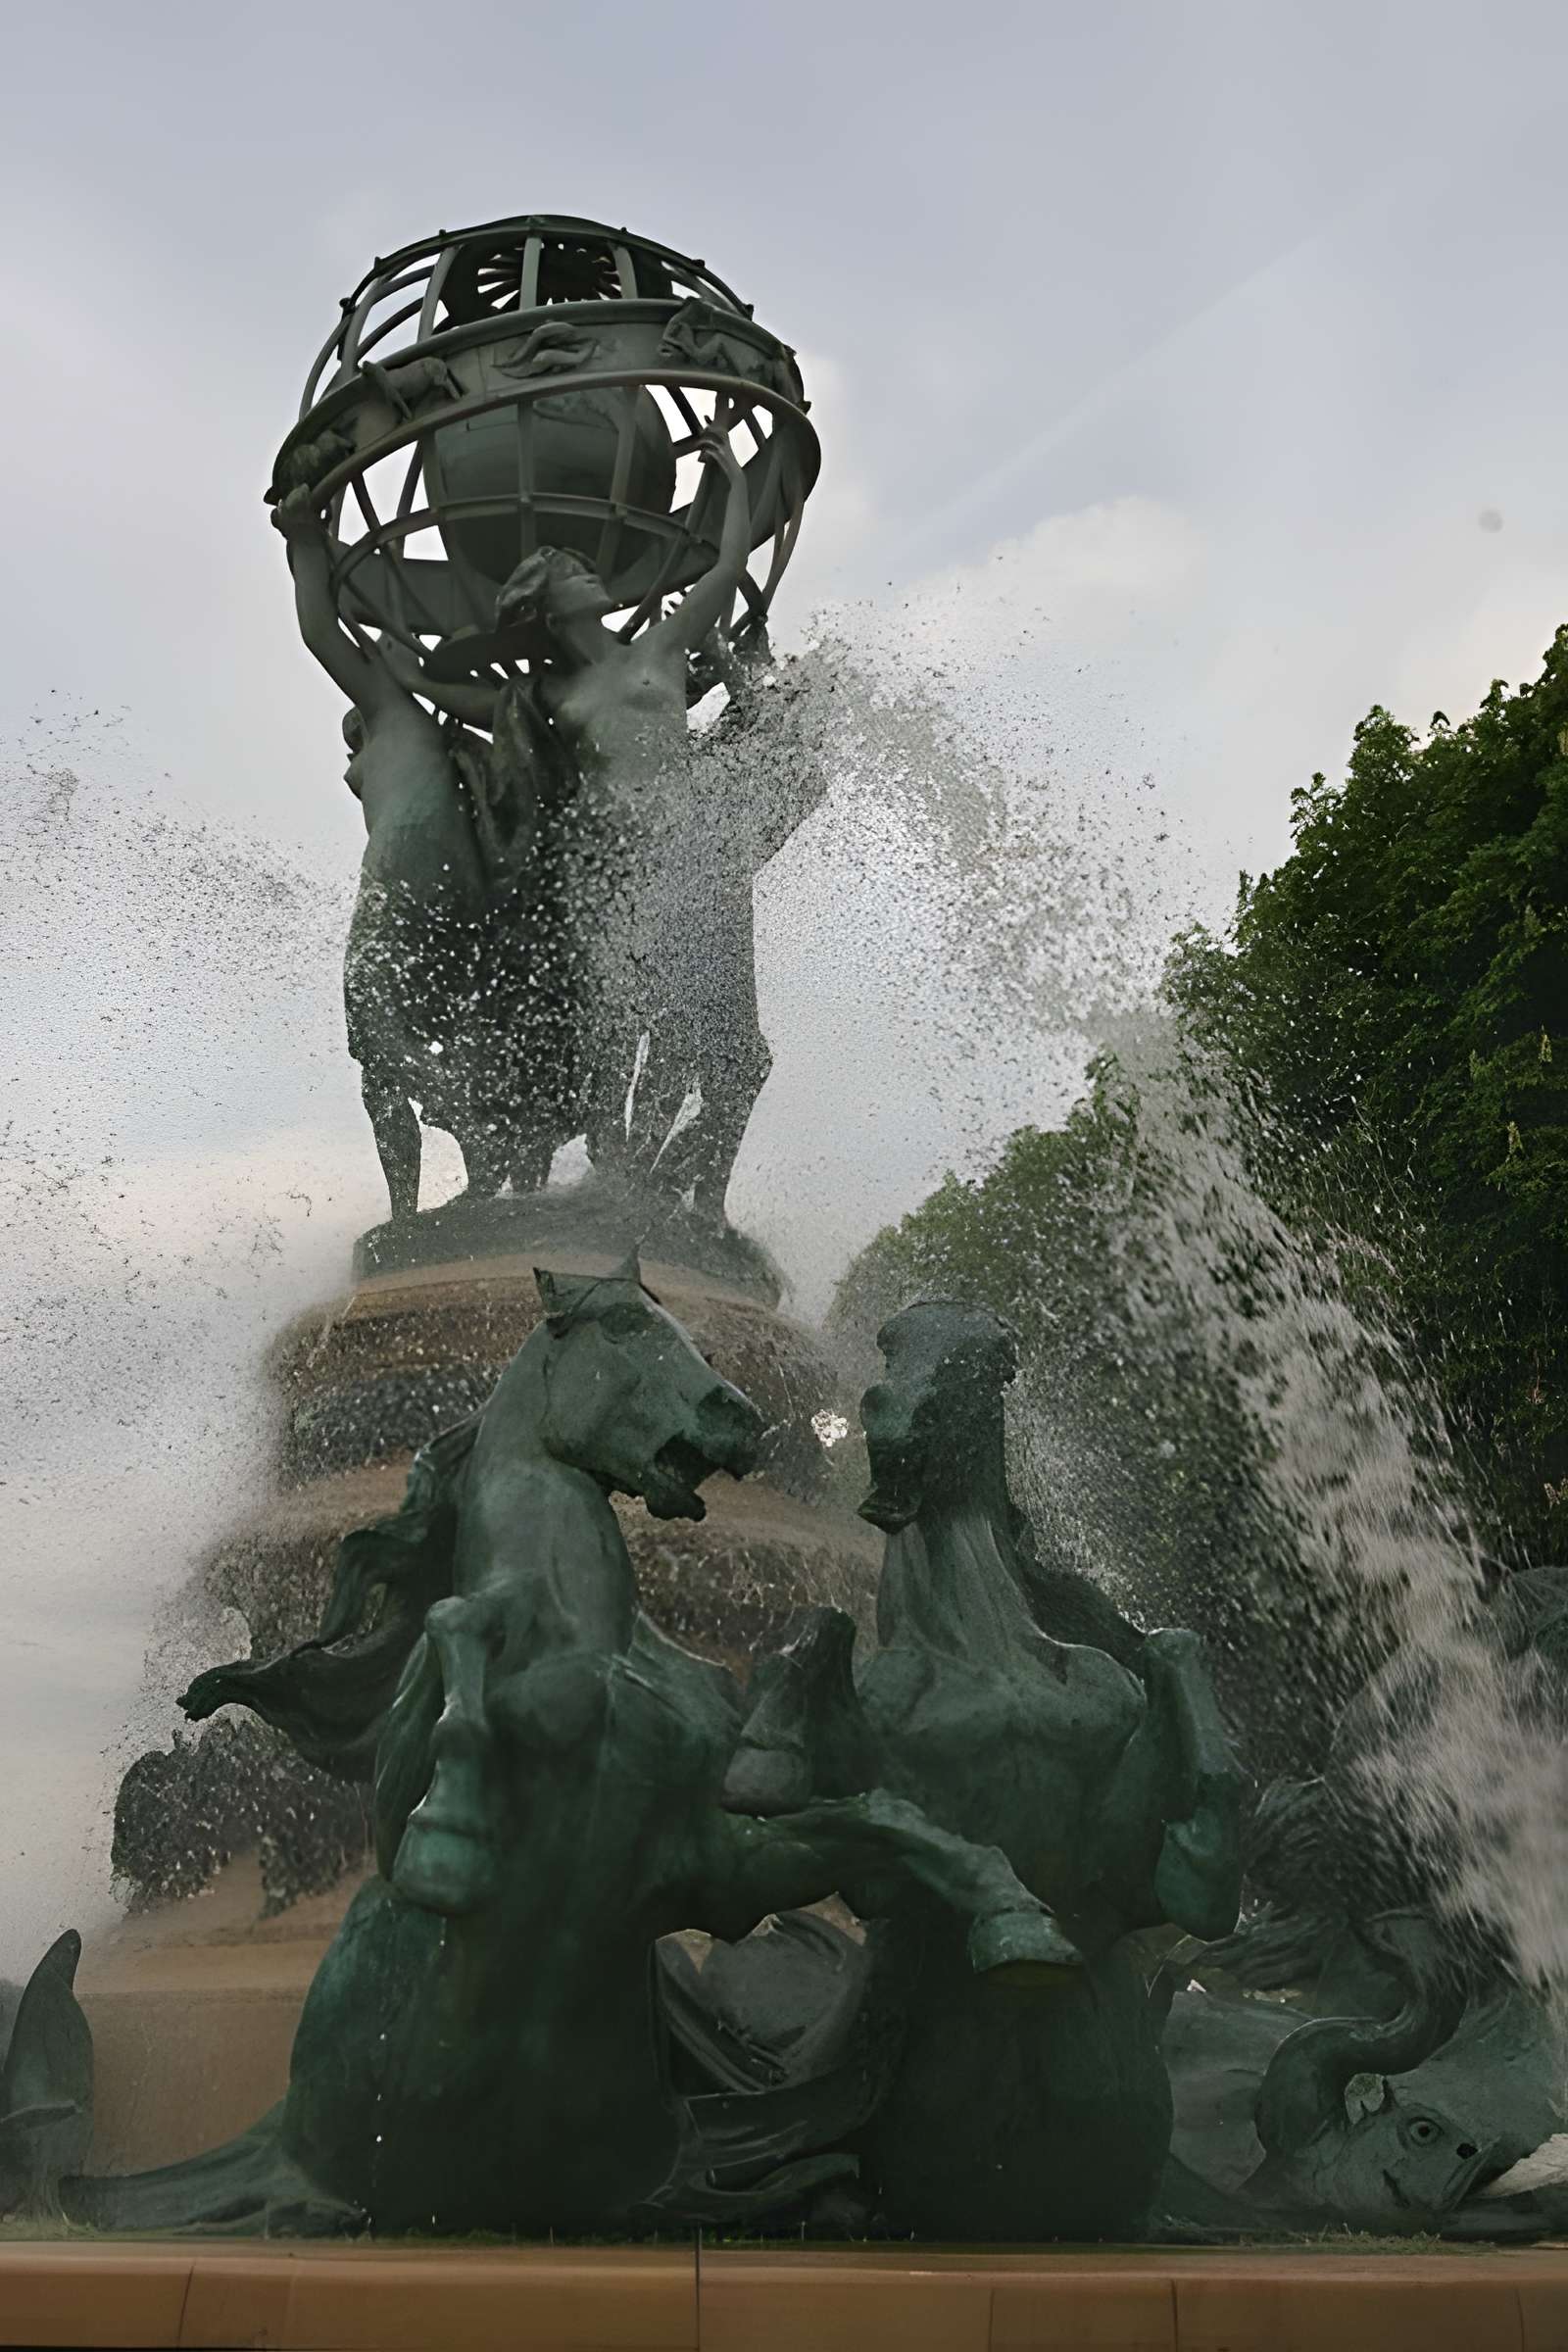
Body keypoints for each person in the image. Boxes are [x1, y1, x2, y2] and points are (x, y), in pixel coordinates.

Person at [492, 427, 758, 1217]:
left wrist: (734, 482)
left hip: (695, 860)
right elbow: (435, 683)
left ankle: (689, 1192)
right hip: (612, 872)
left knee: (735, 1059)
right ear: (547, 609)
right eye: (573, 571)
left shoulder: (663, 648)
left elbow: (729, 565)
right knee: (618, 1039)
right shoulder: (550, 698)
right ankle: (619, 1177)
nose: (592, 570)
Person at [273, 489, 520, 1214]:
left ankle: (413, 1208)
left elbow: (321, 631)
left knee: (379, 1059)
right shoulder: (435, 742)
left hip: (402, 876)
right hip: (465, 888)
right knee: (461, 1033)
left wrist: (304, 543)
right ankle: (486, 1164)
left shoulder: (393, 712)